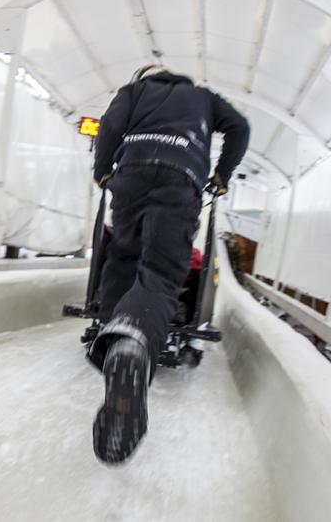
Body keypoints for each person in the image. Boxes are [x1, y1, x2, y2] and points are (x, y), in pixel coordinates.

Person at [88, 64, 249, 464]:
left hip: (131, 170)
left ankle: (113, 334)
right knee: (160, 273)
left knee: (123, 257)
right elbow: (240, 128)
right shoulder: (204, 99)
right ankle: (133, 340)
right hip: (181, 177)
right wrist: (221, 175)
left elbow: (108, 128)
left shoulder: (133, 92)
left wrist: (103, 171)